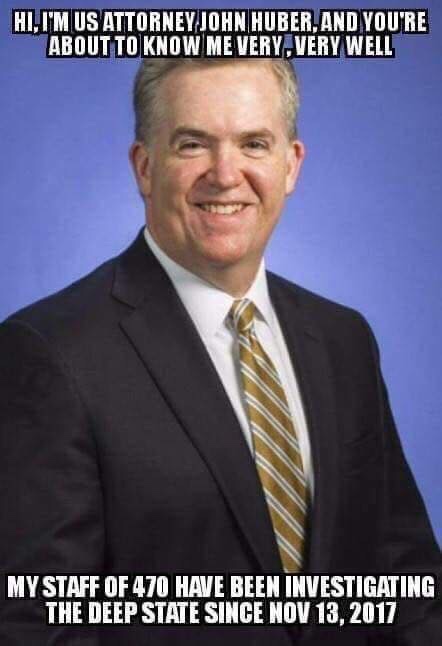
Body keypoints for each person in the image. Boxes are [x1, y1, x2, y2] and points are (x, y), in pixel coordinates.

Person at [0, 58, 440, 645]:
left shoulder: (344, 340)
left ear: (291, 164)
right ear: (145, 167)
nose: (226, 174)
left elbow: (404, 578)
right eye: (193, 144)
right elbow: (38, 623)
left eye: (254, 143)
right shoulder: (50, 351)